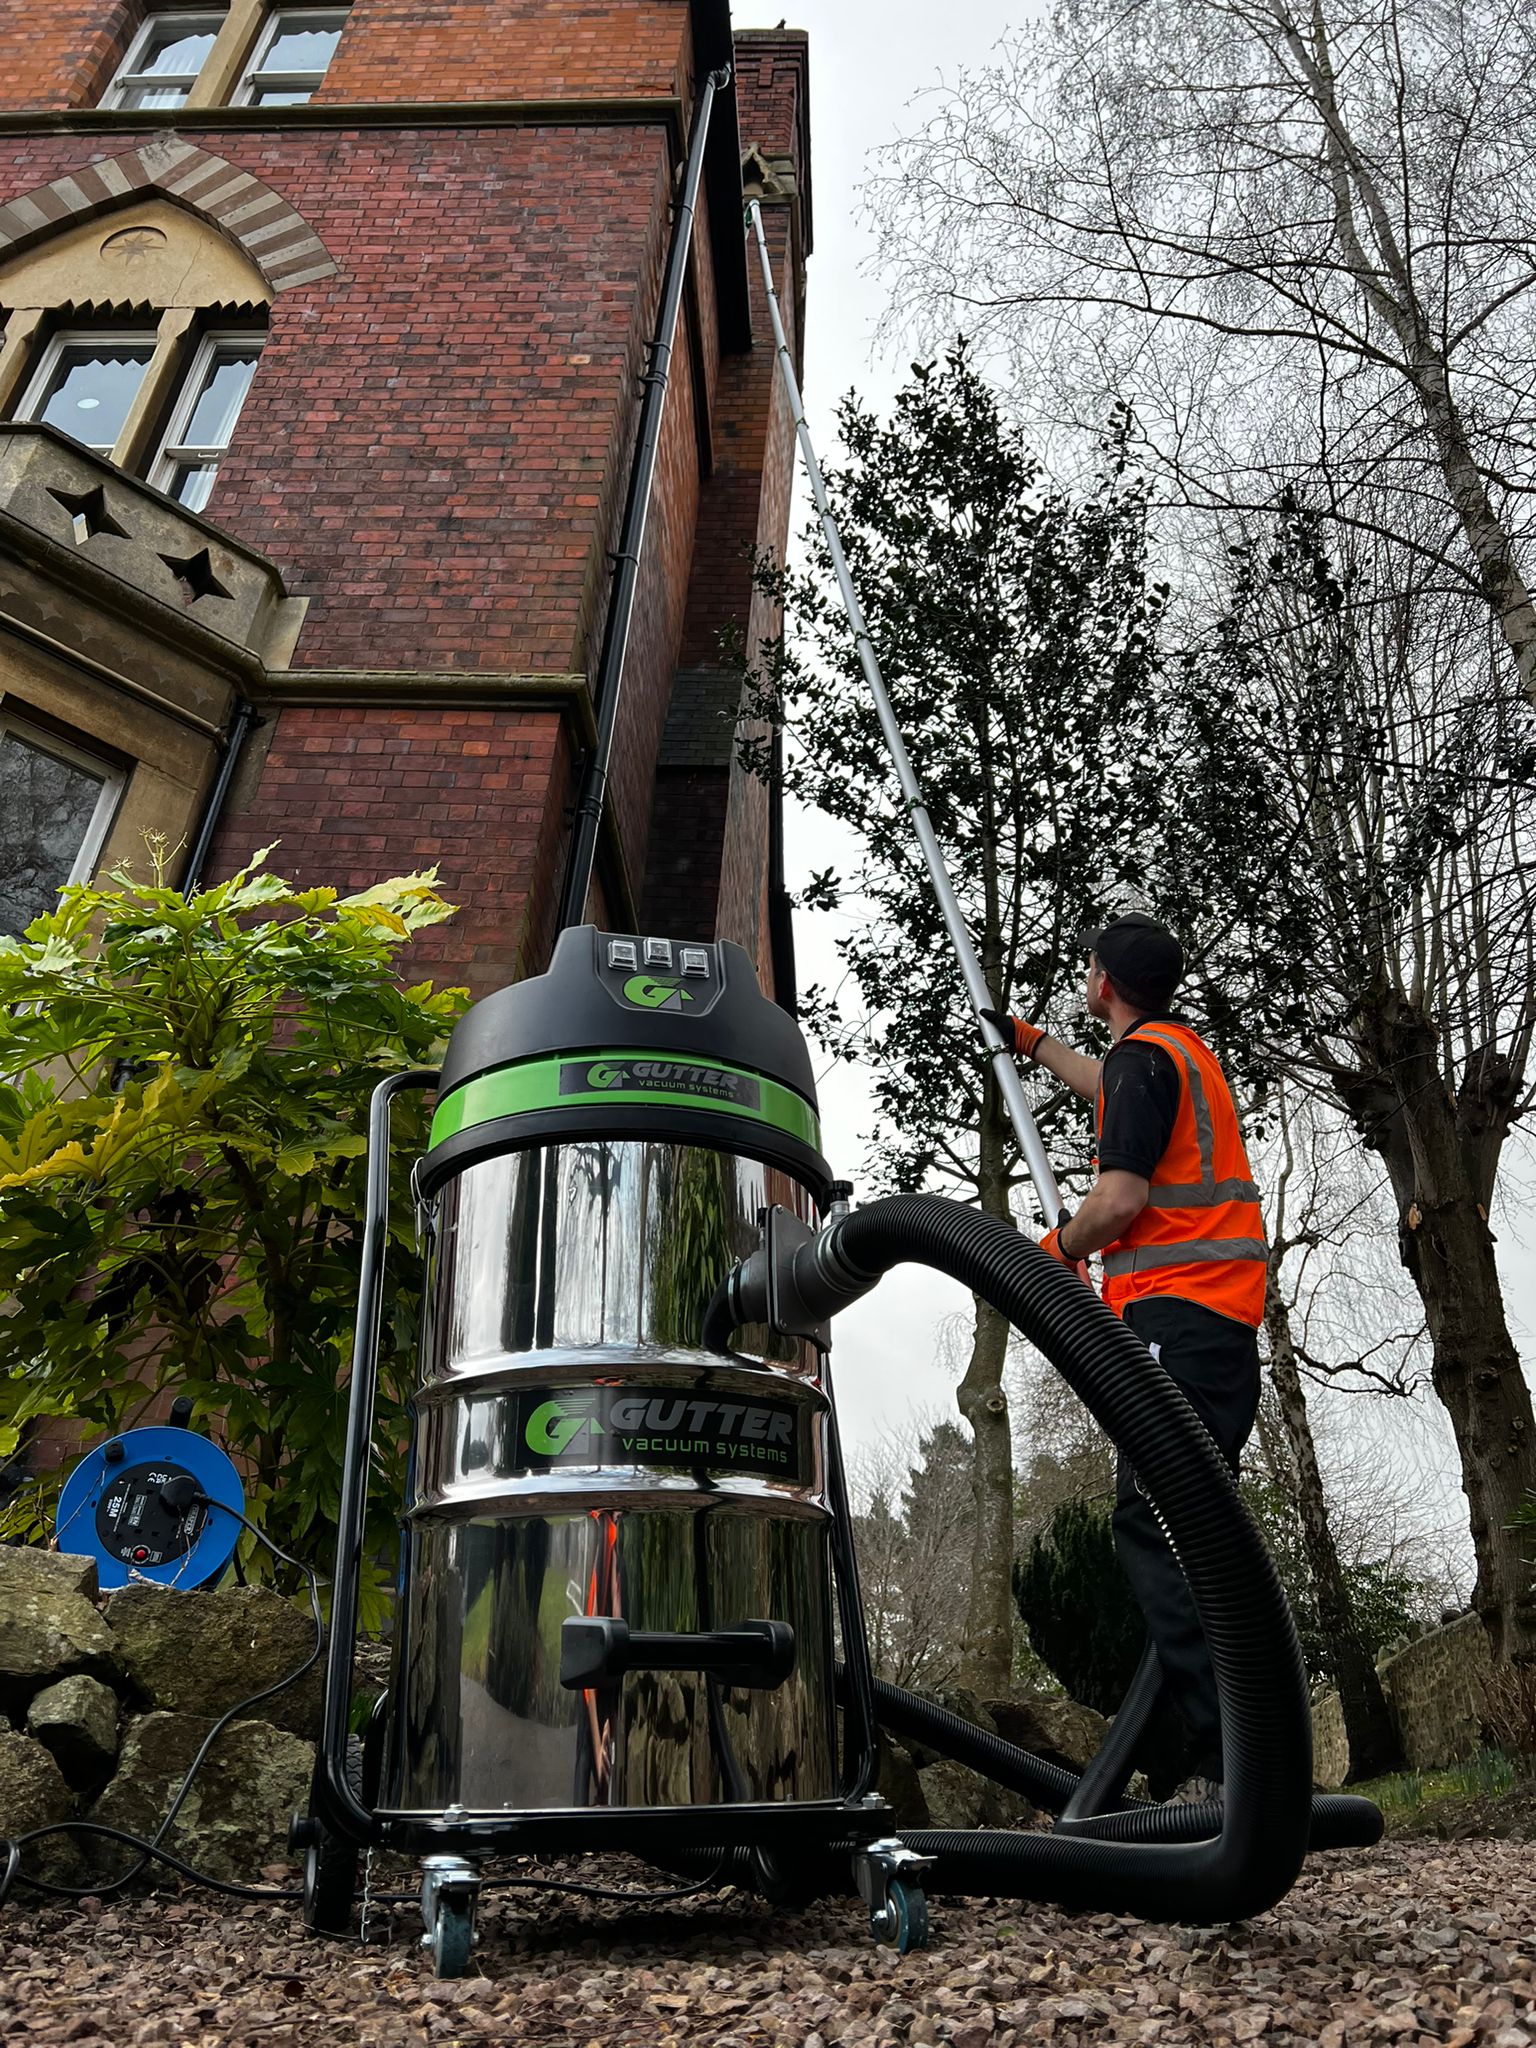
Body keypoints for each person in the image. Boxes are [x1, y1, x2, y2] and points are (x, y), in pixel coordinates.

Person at [984, 912, 1267, 1796]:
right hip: (1218, 1330)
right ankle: (1192, 1760)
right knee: (1194, 1536)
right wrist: (1031, 1044)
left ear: (1103, 982)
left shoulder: (1145, 1064)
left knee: (1154, 1527)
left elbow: (1117, 1201)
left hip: (1174, 1324)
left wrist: (1057, 1248)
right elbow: (1103, 1080)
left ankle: (1234, 1760)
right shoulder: (1175, 1054)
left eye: (1087, 970)